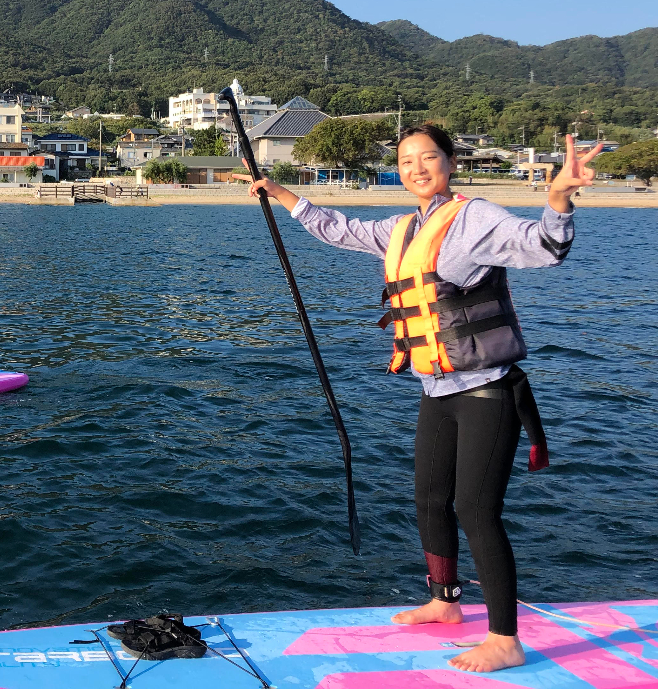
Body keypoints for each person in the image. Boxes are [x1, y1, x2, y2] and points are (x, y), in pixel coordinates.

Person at [234, 126, 602, 674]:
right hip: (436, 389)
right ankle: (445, 600)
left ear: (451, 163)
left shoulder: (475, 217)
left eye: (428, 157)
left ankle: (505, 638)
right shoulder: (405, 226)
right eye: (406, 161)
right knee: (430, 501)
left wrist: (557, 201)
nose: (416, 168)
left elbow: (544, 248)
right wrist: (282, 193)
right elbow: (342, 228)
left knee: (478, 511)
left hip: (487, 390)